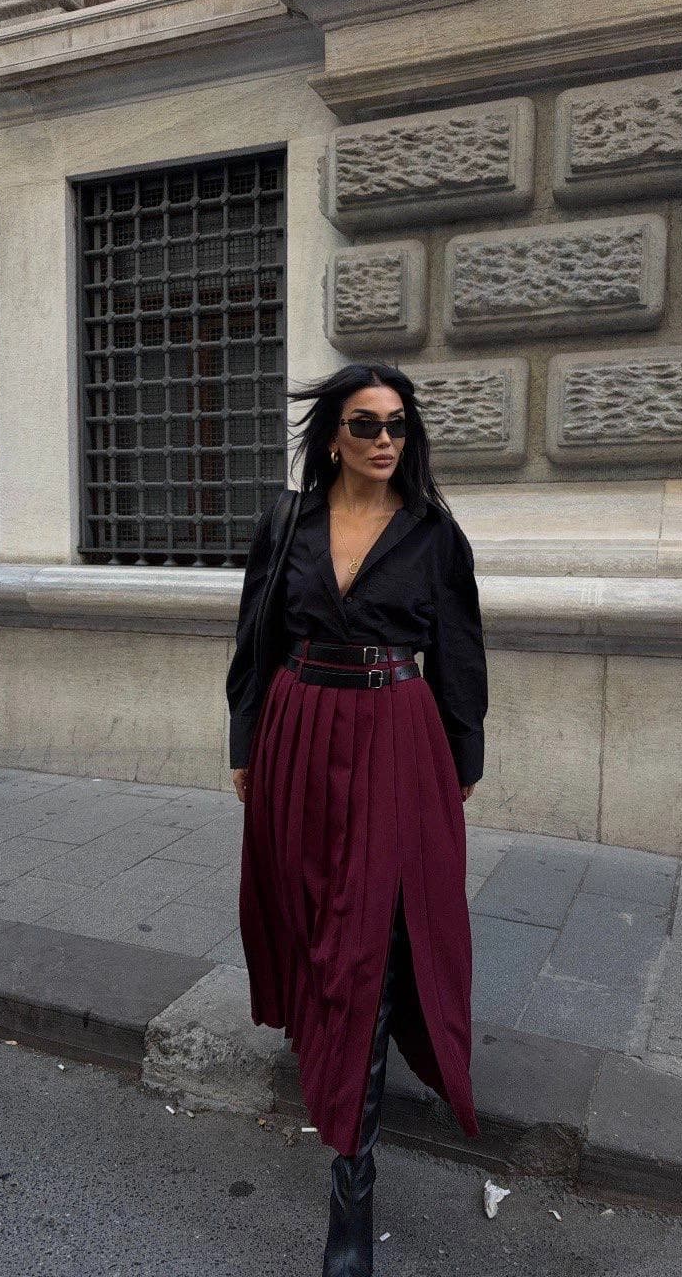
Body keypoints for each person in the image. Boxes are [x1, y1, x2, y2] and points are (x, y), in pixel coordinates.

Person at [225, 362, 488, 1275]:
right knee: (312, 917)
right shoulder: (287, 521)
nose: (385, 440)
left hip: (396, 736)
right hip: (300, 725)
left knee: (375, 938)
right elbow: (256, 633)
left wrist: (460, 761)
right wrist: (245, 740)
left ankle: (352, 1184)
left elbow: (459, 650)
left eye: (398, 426)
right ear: (332, 436)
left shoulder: (431, 533)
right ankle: (325, 1063)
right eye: (366, 425)